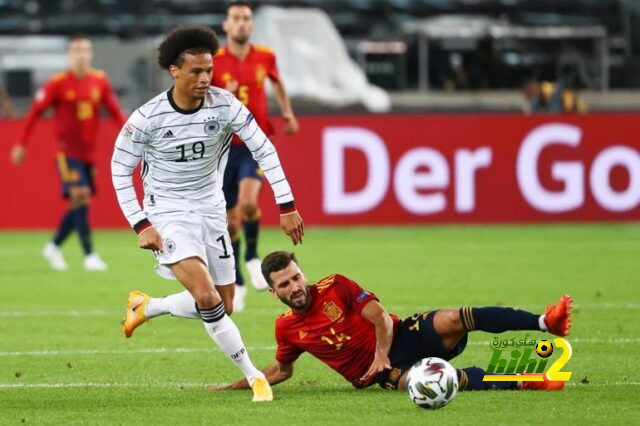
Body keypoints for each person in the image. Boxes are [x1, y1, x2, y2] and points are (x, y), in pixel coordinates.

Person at [111, 26, 303, 402]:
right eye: (196, 71)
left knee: (222, 304)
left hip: (211, 210)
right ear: (174, 71)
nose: (205, 79)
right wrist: (141, 224)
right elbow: (119, 170)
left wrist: (287, 204)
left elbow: (264, 149)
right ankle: (254, 378)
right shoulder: (146, 118)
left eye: (209, 71)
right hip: (166, 213)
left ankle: (148, 306)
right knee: (207, 296)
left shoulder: (225, 104)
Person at [209, 251, 572, 392]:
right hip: (378, 375)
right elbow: (280, 371)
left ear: (304, 274)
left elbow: (380, 317)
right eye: (285, 284)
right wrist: (233, 387)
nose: (295, 286)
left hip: (399, 336)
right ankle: (527, 381)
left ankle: (544, 322)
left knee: (455, 317)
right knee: (433, 383)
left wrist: (382, 352)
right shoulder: (286, 328)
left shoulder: (335, 286)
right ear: (274, 292)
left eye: (296, 277)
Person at [10, 34, 126, 271]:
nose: (81, 55)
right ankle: (89, 254)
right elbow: (34, 113)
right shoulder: (57, 83)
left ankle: (53, 245)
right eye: (77, 51)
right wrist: (21, 143)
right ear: (69, 55)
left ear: (90, 54)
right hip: (66, 153)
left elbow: (115, 112)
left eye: (85, 50)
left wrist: (133, 137)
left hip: (89, 155)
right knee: (80, 194)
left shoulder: (100, 81)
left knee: (79, 201)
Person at [212, 1, 299, 311]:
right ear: (226, 25)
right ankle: (237, 277)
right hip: (223, 149)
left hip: (254, 143)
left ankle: (251, 257)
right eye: (236, 19)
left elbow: (278, 82)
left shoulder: (265, 56)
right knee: (229, 222)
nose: (242, 24)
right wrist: (225, 94)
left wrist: (287, 112)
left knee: (249, 203)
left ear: (251, 24)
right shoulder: (214, 62)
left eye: (246, 19)